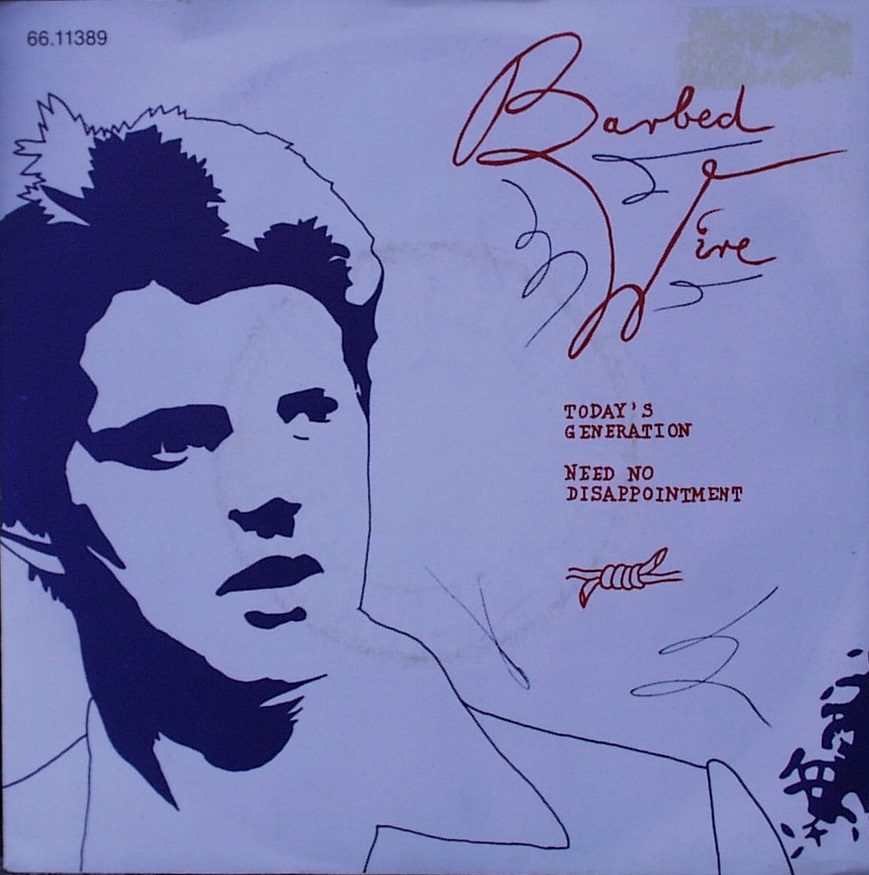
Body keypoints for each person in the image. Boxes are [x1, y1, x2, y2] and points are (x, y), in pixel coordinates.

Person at [1, 96, 792, 874]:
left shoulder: (702, 827)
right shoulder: (35, 837)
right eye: (171, 441)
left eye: (310, 413)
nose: (268, 492)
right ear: (33, 517)